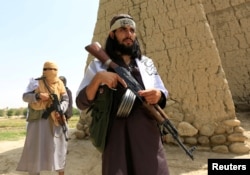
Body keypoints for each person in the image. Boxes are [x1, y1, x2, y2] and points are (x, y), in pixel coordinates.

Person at [76, 14, 169, 175]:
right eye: (123, 30)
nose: (129, 34)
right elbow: (81, 102)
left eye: (132, 30)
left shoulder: (146, 63)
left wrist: (158, 95)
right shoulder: (98, 65)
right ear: (112, 34)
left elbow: (162, 90)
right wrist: (98, 79)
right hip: (114, 136)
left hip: (146, 134)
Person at [16, 61, 69, 175]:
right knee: (36, 150)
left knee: (58, 149)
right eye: (47, 69)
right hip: (38, 121)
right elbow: (25, 97)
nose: (50, 72)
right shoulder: (35, 82)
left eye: (54, 69)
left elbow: (65, 99)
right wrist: (38, 96)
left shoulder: (60, 83)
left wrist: (61, 110)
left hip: (55, 119)